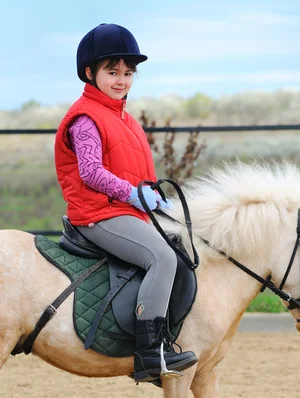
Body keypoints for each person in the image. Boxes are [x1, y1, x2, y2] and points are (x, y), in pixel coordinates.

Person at [54, 23, 197, 382]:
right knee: (161, 256)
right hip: (97, 214)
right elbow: (90, 172)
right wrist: (135, 195)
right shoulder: (86, 117)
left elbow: (134, 170)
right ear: (90, 73)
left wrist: (153, 195)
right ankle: (150, 353)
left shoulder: (126, 119)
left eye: (128, 73)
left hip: (126, 210)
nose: (121, 80)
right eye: (112, 72)